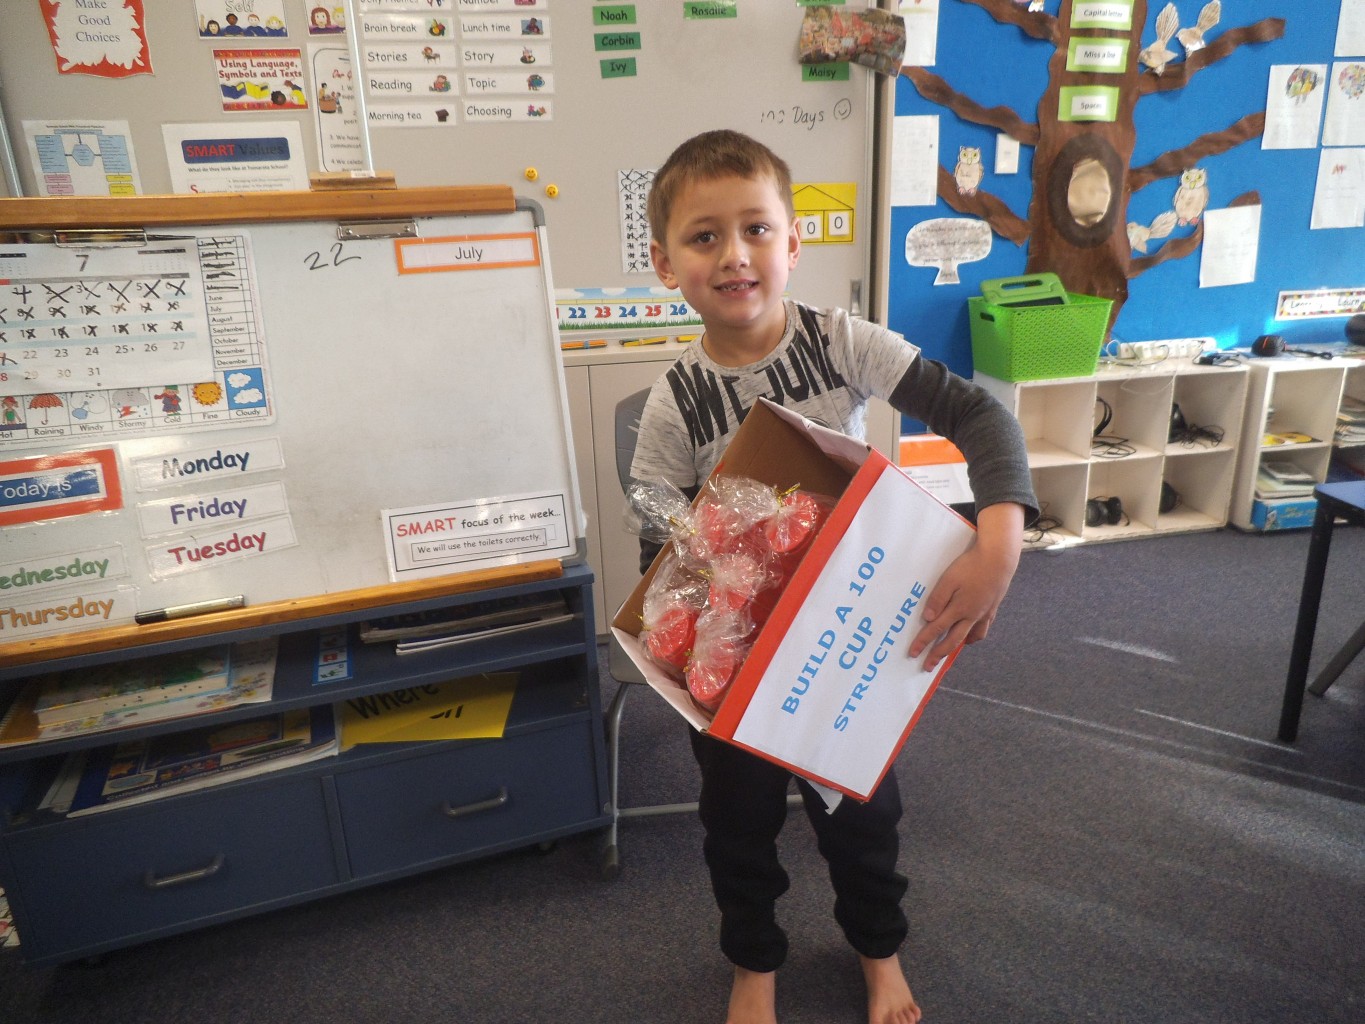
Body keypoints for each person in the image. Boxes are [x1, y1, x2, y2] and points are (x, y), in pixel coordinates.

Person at [629, 129, 1038, 1024]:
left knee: (861, 816)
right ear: (664, 262)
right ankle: (754, 964)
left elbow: (980, 418)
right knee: (738, 825)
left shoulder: (839, 342)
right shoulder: (674, 403)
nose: (734, 254)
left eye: (756, 229)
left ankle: (877, 950)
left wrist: (998, 543)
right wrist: (699, 623)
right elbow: (657, 539)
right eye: (703, 236)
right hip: (735, 662)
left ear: (792, 241)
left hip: (850, 632)